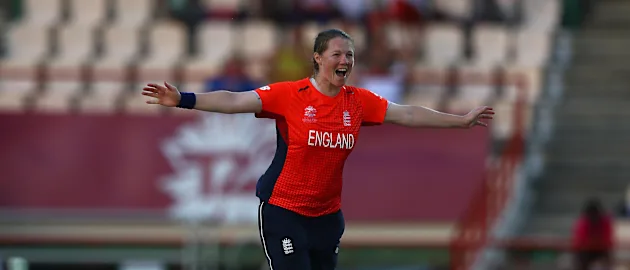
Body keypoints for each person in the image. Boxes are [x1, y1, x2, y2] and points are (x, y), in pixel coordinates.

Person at [142, 29, 494, 270]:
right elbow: (234, 100)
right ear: (317, 58)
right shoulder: (289, 95)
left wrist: (459, 121)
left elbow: (408, 114)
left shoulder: (358, 102)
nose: (346, 60)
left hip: (327, 217)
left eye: (351, 55)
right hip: (284, 210)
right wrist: (184, 99)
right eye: (337, 54)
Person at [571, 198, 614, 270]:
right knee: (580, 258)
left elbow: (607, 241)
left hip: (601, 250)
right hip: (586, 251)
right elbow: (579, 242)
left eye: (595, 214)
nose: (593, 217)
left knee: (607, 259)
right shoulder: (583, 223)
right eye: (591, 214)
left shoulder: (605, 223)